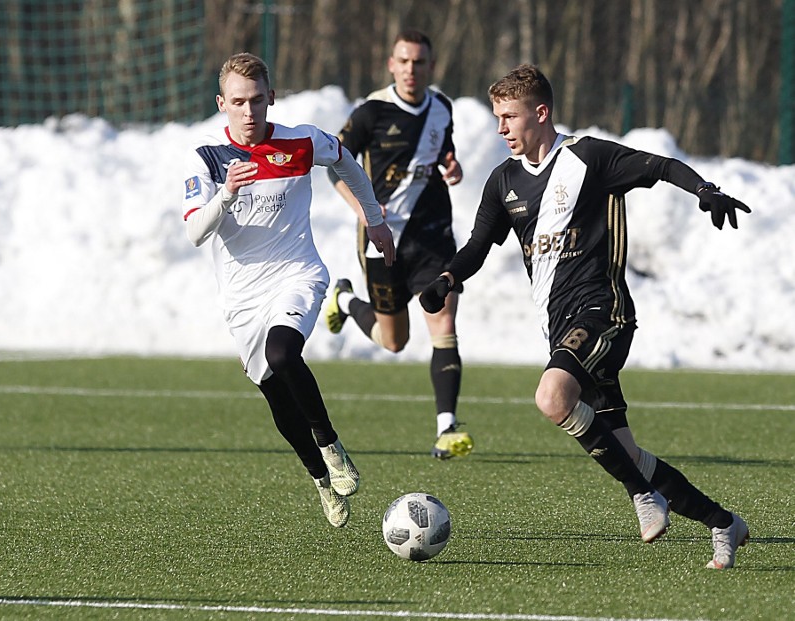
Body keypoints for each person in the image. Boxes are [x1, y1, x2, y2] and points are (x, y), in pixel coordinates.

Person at [420, 64, 750, 568]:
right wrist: (447, 279)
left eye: (510, 117)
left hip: (604, 311)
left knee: (552, 397)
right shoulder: (504, 181)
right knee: (628, 451)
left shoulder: (588, 157)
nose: (501, 128)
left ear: (541, 112)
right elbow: (479, 244)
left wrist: (703, 188)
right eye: (497, 118)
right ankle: (724, 523)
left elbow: (658, 165)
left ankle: (642, 495)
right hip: (560, 327)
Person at [181, 52, 395, 528]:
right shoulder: (208, 158)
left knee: (283, 353)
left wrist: (374, 220)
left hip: (297, 272)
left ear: (271, 98)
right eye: (238, 102)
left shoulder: (301, 140)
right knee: (276, 395)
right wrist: (227, 193)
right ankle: (320, 479)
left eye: (257, 100)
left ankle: (330, 441)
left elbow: (348, 165)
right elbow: (195, 232)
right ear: (222, 104)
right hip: (241, 296)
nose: (249, 112)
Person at [324, 29, 472, 460]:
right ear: (392, 64)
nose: (411, 69)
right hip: (383, 241)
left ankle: (448, 427)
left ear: (430, 66)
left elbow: (443, 152)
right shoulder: (371, 112)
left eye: (419, 62)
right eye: (404, 61)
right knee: (394, 342)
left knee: (443, 321)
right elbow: (335, 170)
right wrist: (366, 213)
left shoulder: (442, 108)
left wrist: (452, 165)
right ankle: (346, 299)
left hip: (432, 237)